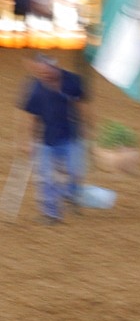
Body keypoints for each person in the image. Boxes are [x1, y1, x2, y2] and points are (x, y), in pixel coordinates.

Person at [18, 53, 89, 224]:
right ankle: (51, 214)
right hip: (46, 139)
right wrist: (29, 141)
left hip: (71, 135)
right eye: (40, 72)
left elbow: (80, 105)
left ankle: (71, 195)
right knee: (46, 178)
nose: (44, 75)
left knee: (74, 172)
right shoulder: (35, 89)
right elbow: (32, 117)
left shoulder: (72, 80)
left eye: (46, 71)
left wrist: (86, 127)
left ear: (54, 66)